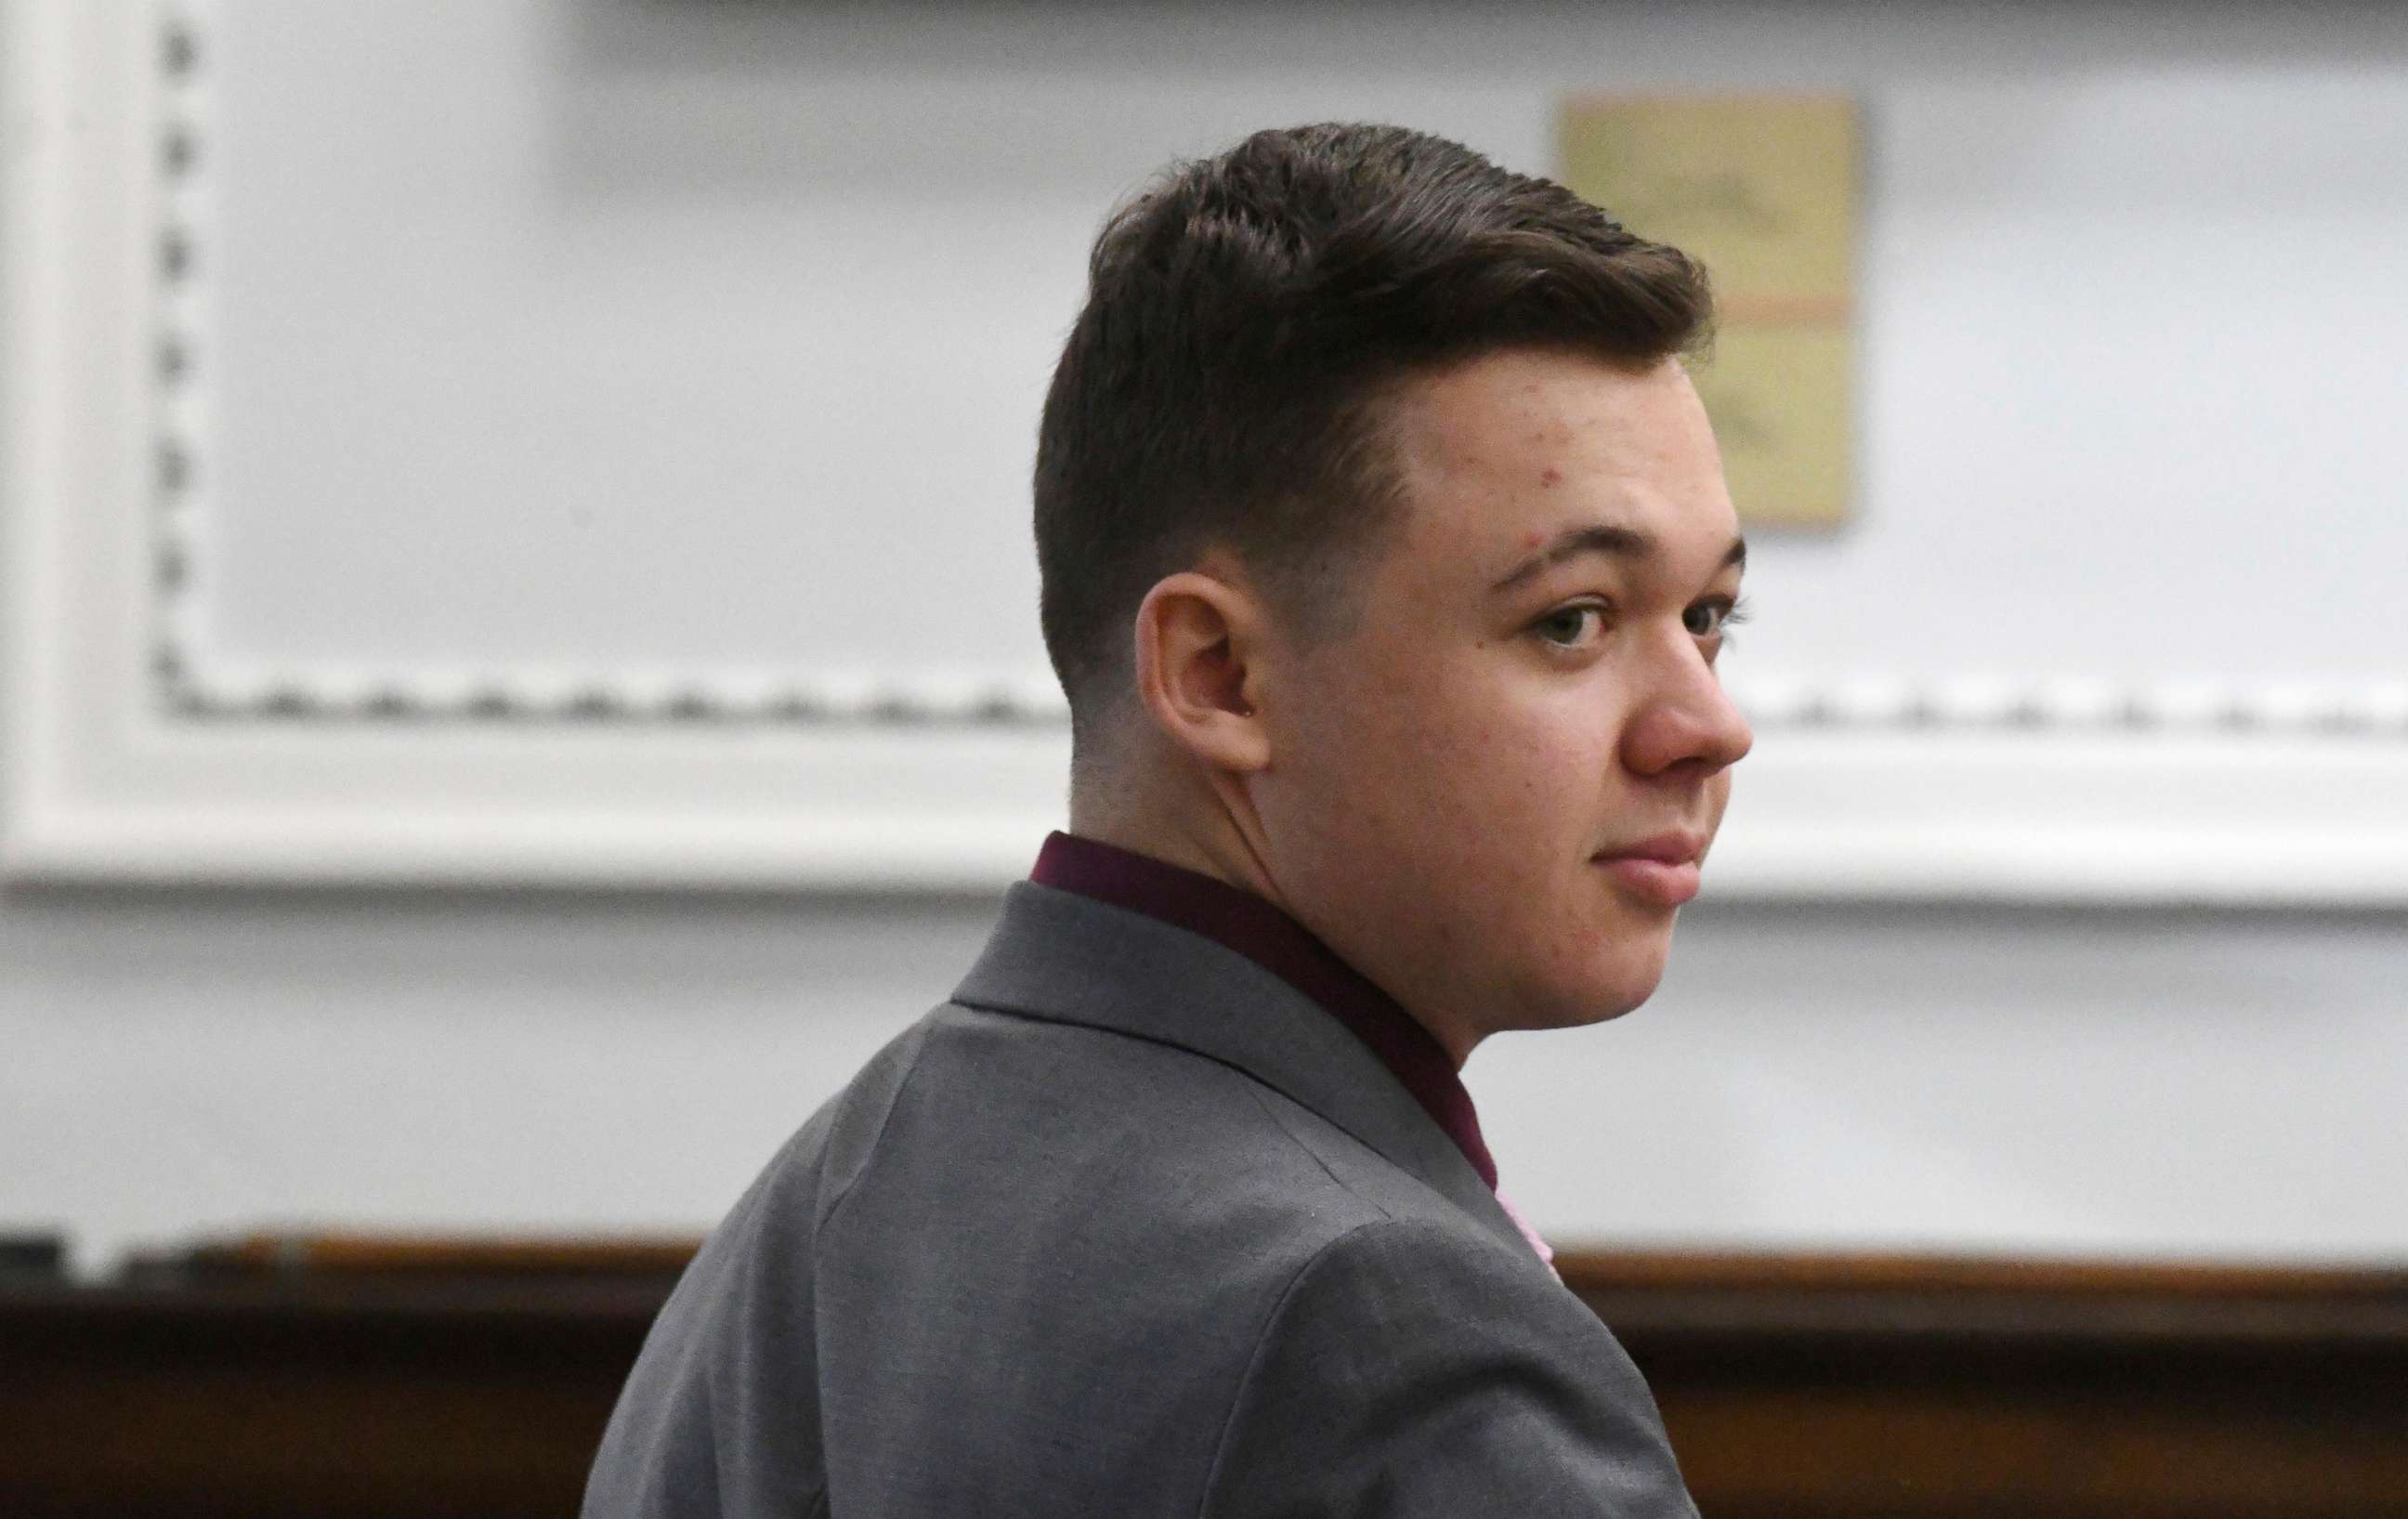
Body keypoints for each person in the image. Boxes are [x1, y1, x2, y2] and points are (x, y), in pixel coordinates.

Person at [585, 121, 1752, 1517]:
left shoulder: (826, 1205)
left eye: (1709, 617)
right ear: (1219, 675)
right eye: (1572, 620)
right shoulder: (1384, 1323)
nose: (1707, 725)